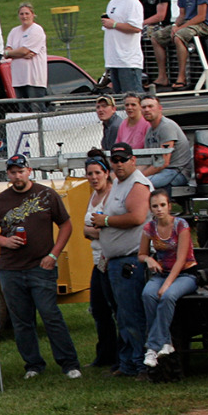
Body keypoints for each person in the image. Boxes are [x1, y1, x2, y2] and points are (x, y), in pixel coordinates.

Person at [0, 154, 81, 378]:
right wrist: (5, 241)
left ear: (29, 171)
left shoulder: (47, 195)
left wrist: (54, 254)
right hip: (11, 268)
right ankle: (33, 365)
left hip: (41, 267)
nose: (17, 176)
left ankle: (69, 363)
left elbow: (66, 225)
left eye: (21, 171)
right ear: (8, 174)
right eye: (13, 172)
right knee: (21, 320)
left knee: (50, 314)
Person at [91, 142, 153, 377]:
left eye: (123, 159)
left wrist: (105, 222)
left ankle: (141, 365)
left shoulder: (138, 184)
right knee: (123, 316)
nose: (118, 164)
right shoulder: (117, 182)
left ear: (133, 160)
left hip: (131, 261)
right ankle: (127, 363)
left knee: (133, 315)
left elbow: (137, 217)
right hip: (114, 260)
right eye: (114, 160)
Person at [138, 190, 198, 368]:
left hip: (185, 274)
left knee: (167, 296)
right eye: (155, 206)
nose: (159, 209)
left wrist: (167, 284)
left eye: (162, 205)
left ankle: (152, 347)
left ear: (169, 206)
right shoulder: (149, 228)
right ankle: (165, 342)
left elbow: (181, 259)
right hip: (162, 273)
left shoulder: (181, 225)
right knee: (148, 294)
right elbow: (141, 254)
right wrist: (149, 259)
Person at [80, 149, 120, 369]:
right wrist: (93, 229)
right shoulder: (93, 196)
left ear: (106, 173)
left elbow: (107, 229)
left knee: (115, 308)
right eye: (89, 173)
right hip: (97, 259)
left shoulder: (112, 195)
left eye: (97, 173)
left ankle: (121, 357)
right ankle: (104, 354)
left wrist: (94, 229)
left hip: (109, 258)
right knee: (98, 309)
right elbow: (86, 230)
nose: (94, 177)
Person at [101, 0, 146, 95]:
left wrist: (114, 24)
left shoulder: (133, 2)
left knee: (132, 99)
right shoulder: (112, 2)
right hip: (114, 60)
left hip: (128, 61)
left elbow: (136, 28)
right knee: (120, 101)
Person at [139, 95, 192, 193]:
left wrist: (139, 176)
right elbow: (147, 161)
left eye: (150, 106)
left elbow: (163, 162)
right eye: (144, 107)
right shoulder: (150, 131)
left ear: (160, 108)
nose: (147, 110)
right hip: (161, 171)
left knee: (140, 184)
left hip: (177, 172)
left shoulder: (166, 127)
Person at [3, 4, 48, 108]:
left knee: (36, 109)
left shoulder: (36, 30)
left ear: (33, 15)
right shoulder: (14, 31)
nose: (24, 16)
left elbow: (24, 50)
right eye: (21, 14)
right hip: (18, 79)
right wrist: (15, 53)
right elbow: (7, 51)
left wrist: (13, 54)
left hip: (34, 79)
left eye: (27, 13)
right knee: (23, 112)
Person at [135, 0, 172, 84]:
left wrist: (141, 23)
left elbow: (160, 16)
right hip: (141, 24)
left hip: (159, 26)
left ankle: (161, 75)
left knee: (138, 34)